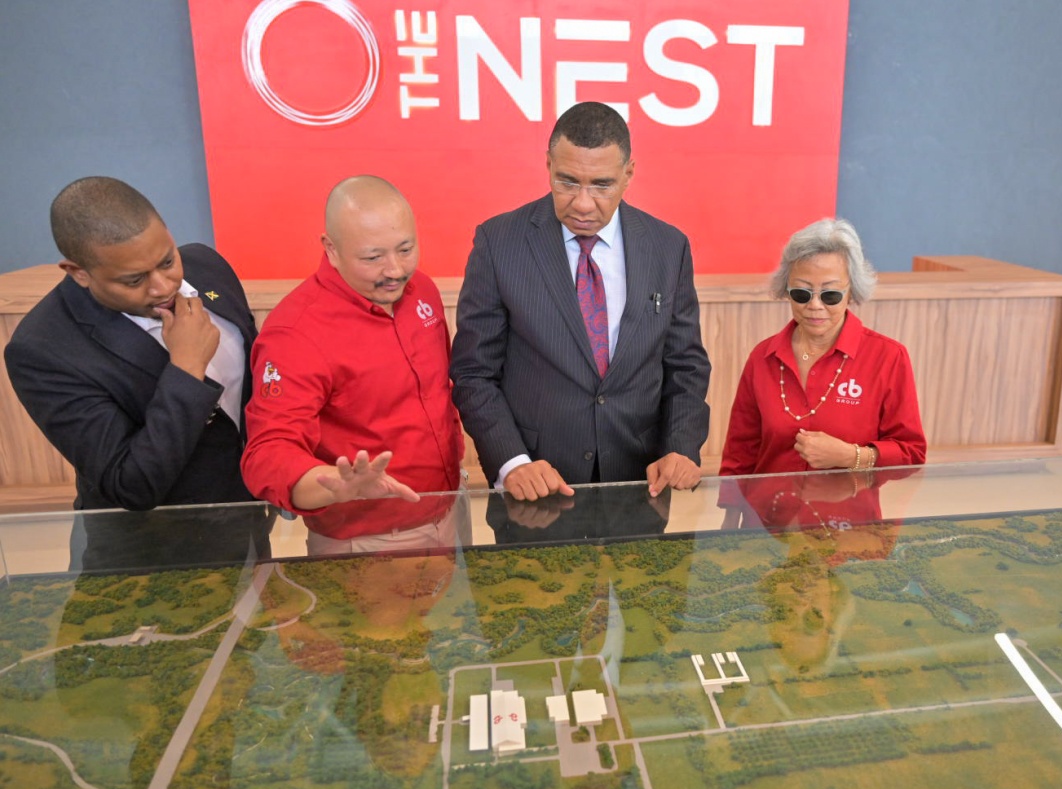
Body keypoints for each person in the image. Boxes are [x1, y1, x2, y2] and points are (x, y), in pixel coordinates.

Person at [450, 101, 711, 504]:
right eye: (568, 182)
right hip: (533, 488)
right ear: (548, 165)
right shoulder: (498, 243)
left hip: (639, 484)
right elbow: (473, 373)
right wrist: (512, 462)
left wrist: (681, 444)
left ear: (629, 174)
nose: (584, 203)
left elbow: (685, 365)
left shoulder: (668, 247)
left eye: (602, 185)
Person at [4, 176, 258, 510]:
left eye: (167, 261)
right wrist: (186, 369)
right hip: (153, 549)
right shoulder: (42, 350)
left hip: (248, 518)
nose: (163, 286)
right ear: (78, 272)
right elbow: (131, 485)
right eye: (134, 280)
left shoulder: (206, 264)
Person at [240, 175, 463, 532]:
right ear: (331, 248)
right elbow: (266, 454)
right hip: (369, 536)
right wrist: (333, 484)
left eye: (405, 249)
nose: (395, 270)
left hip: (449, 506)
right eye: (373, 257)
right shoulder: (295, 334)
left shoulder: (422, 289)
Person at [719, 218, 926, 486]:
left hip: (851, 523)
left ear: (851, 291)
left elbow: (912, 454)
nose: (815, 305)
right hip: (767, 522)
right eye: (802, 294)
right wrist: (731, 515)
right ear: (786, 290)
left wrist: (852, 456)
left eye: (830, 295)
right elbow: (739, 453)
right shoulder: (762, 357)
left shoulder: (888, 357)